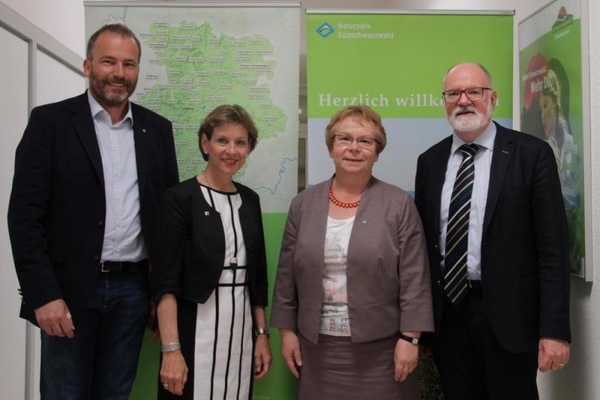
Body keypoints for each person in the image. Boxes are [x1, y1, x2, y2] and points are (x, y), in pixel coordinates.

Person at [7, 24, 179, 399]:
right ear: (88, 66)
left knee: (116, 394)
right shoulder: (49, 123)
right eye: (108, 62)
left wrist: (159, 294)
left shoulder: (157, 130)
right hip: (67, 293)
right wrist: (43, 294)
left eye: (129, 64)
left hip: (133, 293)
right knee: (64, 393)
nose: (119, 73)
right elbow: (24, 217)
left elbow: (166, 224)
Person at [414, 62, 571, 400]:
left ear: (493, 98)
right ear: (444, 101)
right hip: (449, 317)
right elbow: (425, 250)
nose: (463, 100)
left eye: (474, 91)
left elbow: (553, 249)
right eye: (453, 93)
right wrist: (422, 331)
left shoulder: (531, 155)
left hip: (511, 318)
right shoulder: (429, 162)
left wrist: (555, 331)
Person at [271, 105, 433, 400]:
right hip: (317, 350)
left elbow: (415, 278)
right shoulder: (303, 204)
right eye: (344, 139)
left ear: (377, 151)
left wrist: (410, 338)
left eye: (365, 141)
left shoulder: (397, 204)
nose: (353, 148)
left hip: (383, 354)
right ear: (331, 146)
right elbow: (286, 276)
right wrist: (286, 332)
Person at [153, 104, 272, 399]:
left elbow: (257, 278)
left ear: (248, 149)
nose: (231, 150)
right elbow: (165, 284)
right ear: (205, 144)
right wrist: (171, 351)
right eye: (222, 140)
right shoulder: (179, 198)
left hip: (240, 335)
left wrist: (261, 336)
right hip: (193, 332)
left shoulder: (250, 200)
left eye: (240, 142)